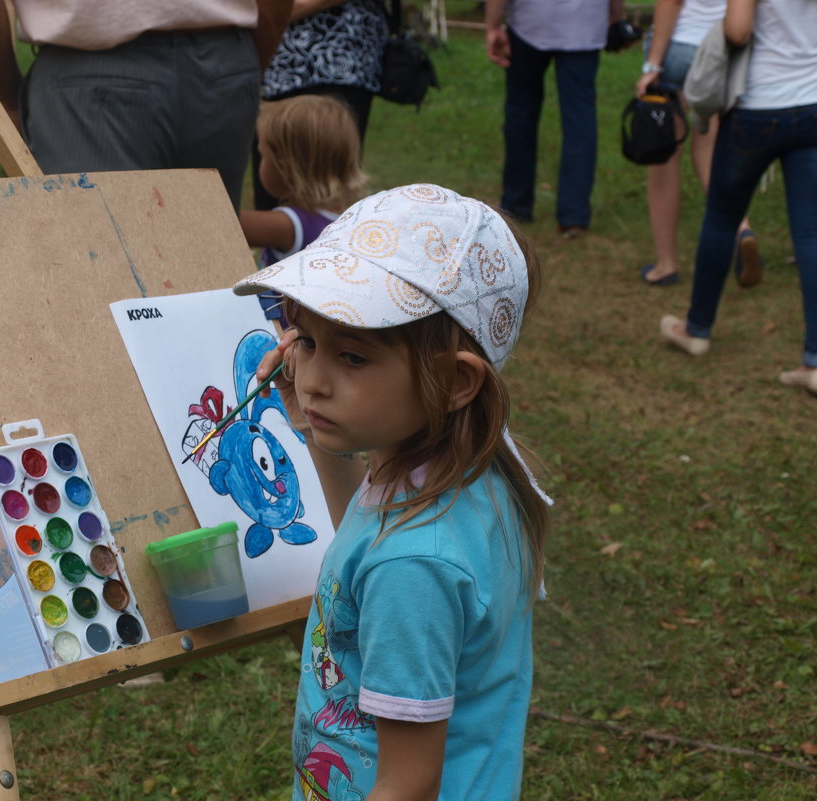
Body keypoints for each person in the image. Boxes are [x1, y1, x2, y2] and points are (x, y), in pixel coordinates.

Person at [234, 184, 551, 800]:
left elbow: (408, 784)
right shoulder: (452, 474)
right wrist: (307, 426)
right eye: (305, 340)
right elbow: (360, 525)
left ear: (455, 379)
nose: (313, 379)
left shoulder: (415, 564)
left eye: (353, 357)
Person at [0, 0, 294, 212]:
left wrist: (7, 101)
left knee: (99, 286)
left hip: (89, 77)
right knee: (209, 279)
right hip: (223, 65)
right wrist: (241, 70)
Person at [660, 0, 817, 397]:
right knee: (813, 233)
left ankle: (697, 330)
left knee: (723, 219)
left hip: (760, 106)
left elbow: (738, 30)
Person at [635, 0, 758, 287]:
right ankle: (742, 228)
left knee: (664, 156)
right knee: (711, 151)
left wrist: (653, 62)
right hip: (726, 48)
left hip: (682, 47)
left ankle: (666, 264)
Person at [485, 0, 625, 236]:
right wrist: (615, 14)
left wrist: (493, 25)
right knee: (580, 119)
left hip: (531, 21)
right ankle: (574, 216)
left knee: (521, 113)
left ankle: (516, 206)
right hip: (584, 23)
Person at [252, 0, 387, 211]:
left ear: (283, 168)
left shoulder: (283, 226)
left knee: (300, 154)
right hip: (275, 61)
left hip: (332, 58)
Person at [240, 95, 367, 273]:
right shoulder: (357, 217)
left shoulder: (289, 225)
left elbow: (223, 224)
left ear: (283, 169)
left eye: (263, 156)